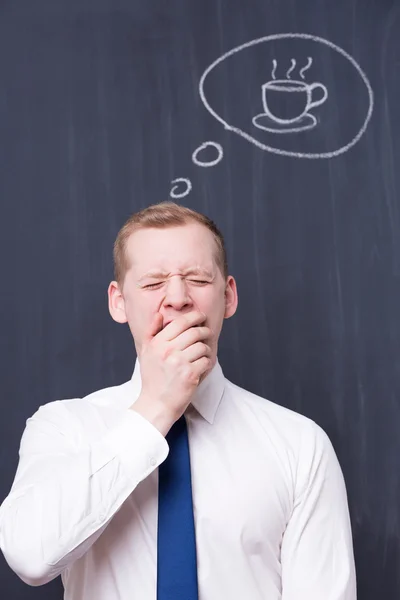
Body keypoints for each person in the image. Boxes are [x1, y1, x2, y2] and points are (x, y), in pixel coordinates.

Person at [0, 201, 356, 599]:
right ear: (119, 302)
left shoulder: (300, 444)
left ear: (229, 296)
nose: (177, 298)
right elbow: (30, 557)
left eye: (199, 280)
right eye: (153, 283)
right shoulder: (63, 427)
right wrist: (155, 408)